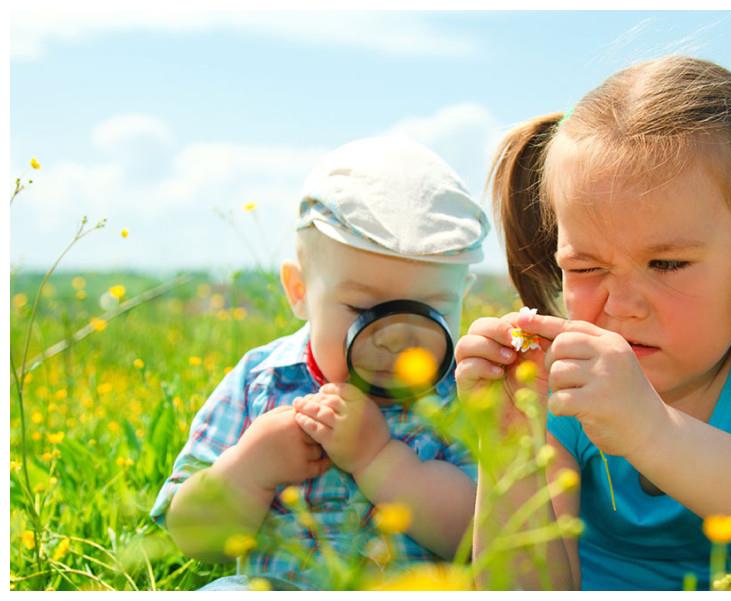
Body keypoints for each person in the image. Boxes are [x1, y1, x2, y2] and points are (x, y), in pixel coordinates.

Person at [455, 55, 731, 590]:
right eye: (585, 267)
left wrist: (651, 432)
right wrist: (507, 445)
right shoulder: (560, 379)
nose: (621, 306)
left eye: (666, 264)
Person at [151, 136, 490, 590]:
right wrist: (250, 467)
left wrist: (381, 461)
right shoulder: (262, 380)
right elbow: (191, 535)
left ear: (461, 295)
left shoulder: (464, 394)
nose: (395, 339)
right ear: (298, 291)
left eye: (430, 310)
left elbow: (481, 542)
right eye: (361, 310)